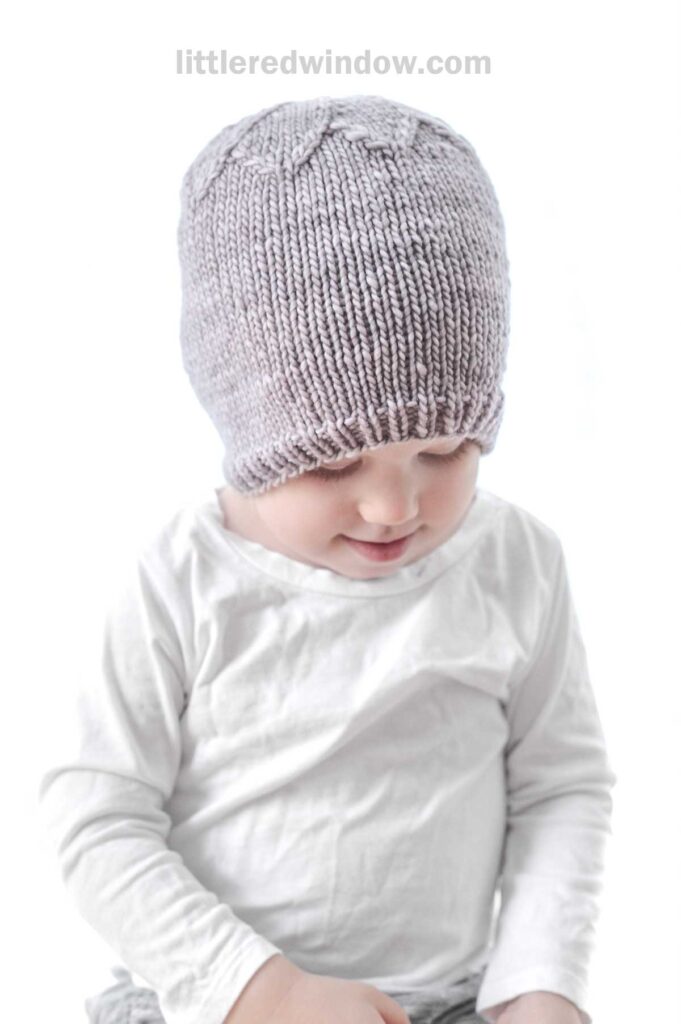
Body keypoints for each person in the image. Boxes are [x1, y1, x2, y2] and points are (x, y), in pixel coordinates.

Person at [36, 94, 616, 1024]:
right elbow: (95, 817)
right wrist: (260, 989)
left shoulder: (514, 563)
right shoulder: (183, 578)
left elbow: (560, 787)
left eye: (446, 449)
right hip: (207, 1003)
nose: (395, 506)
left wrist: (538, 986)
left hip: (454, 1006)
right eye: (332, 463)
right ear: (251, 429)